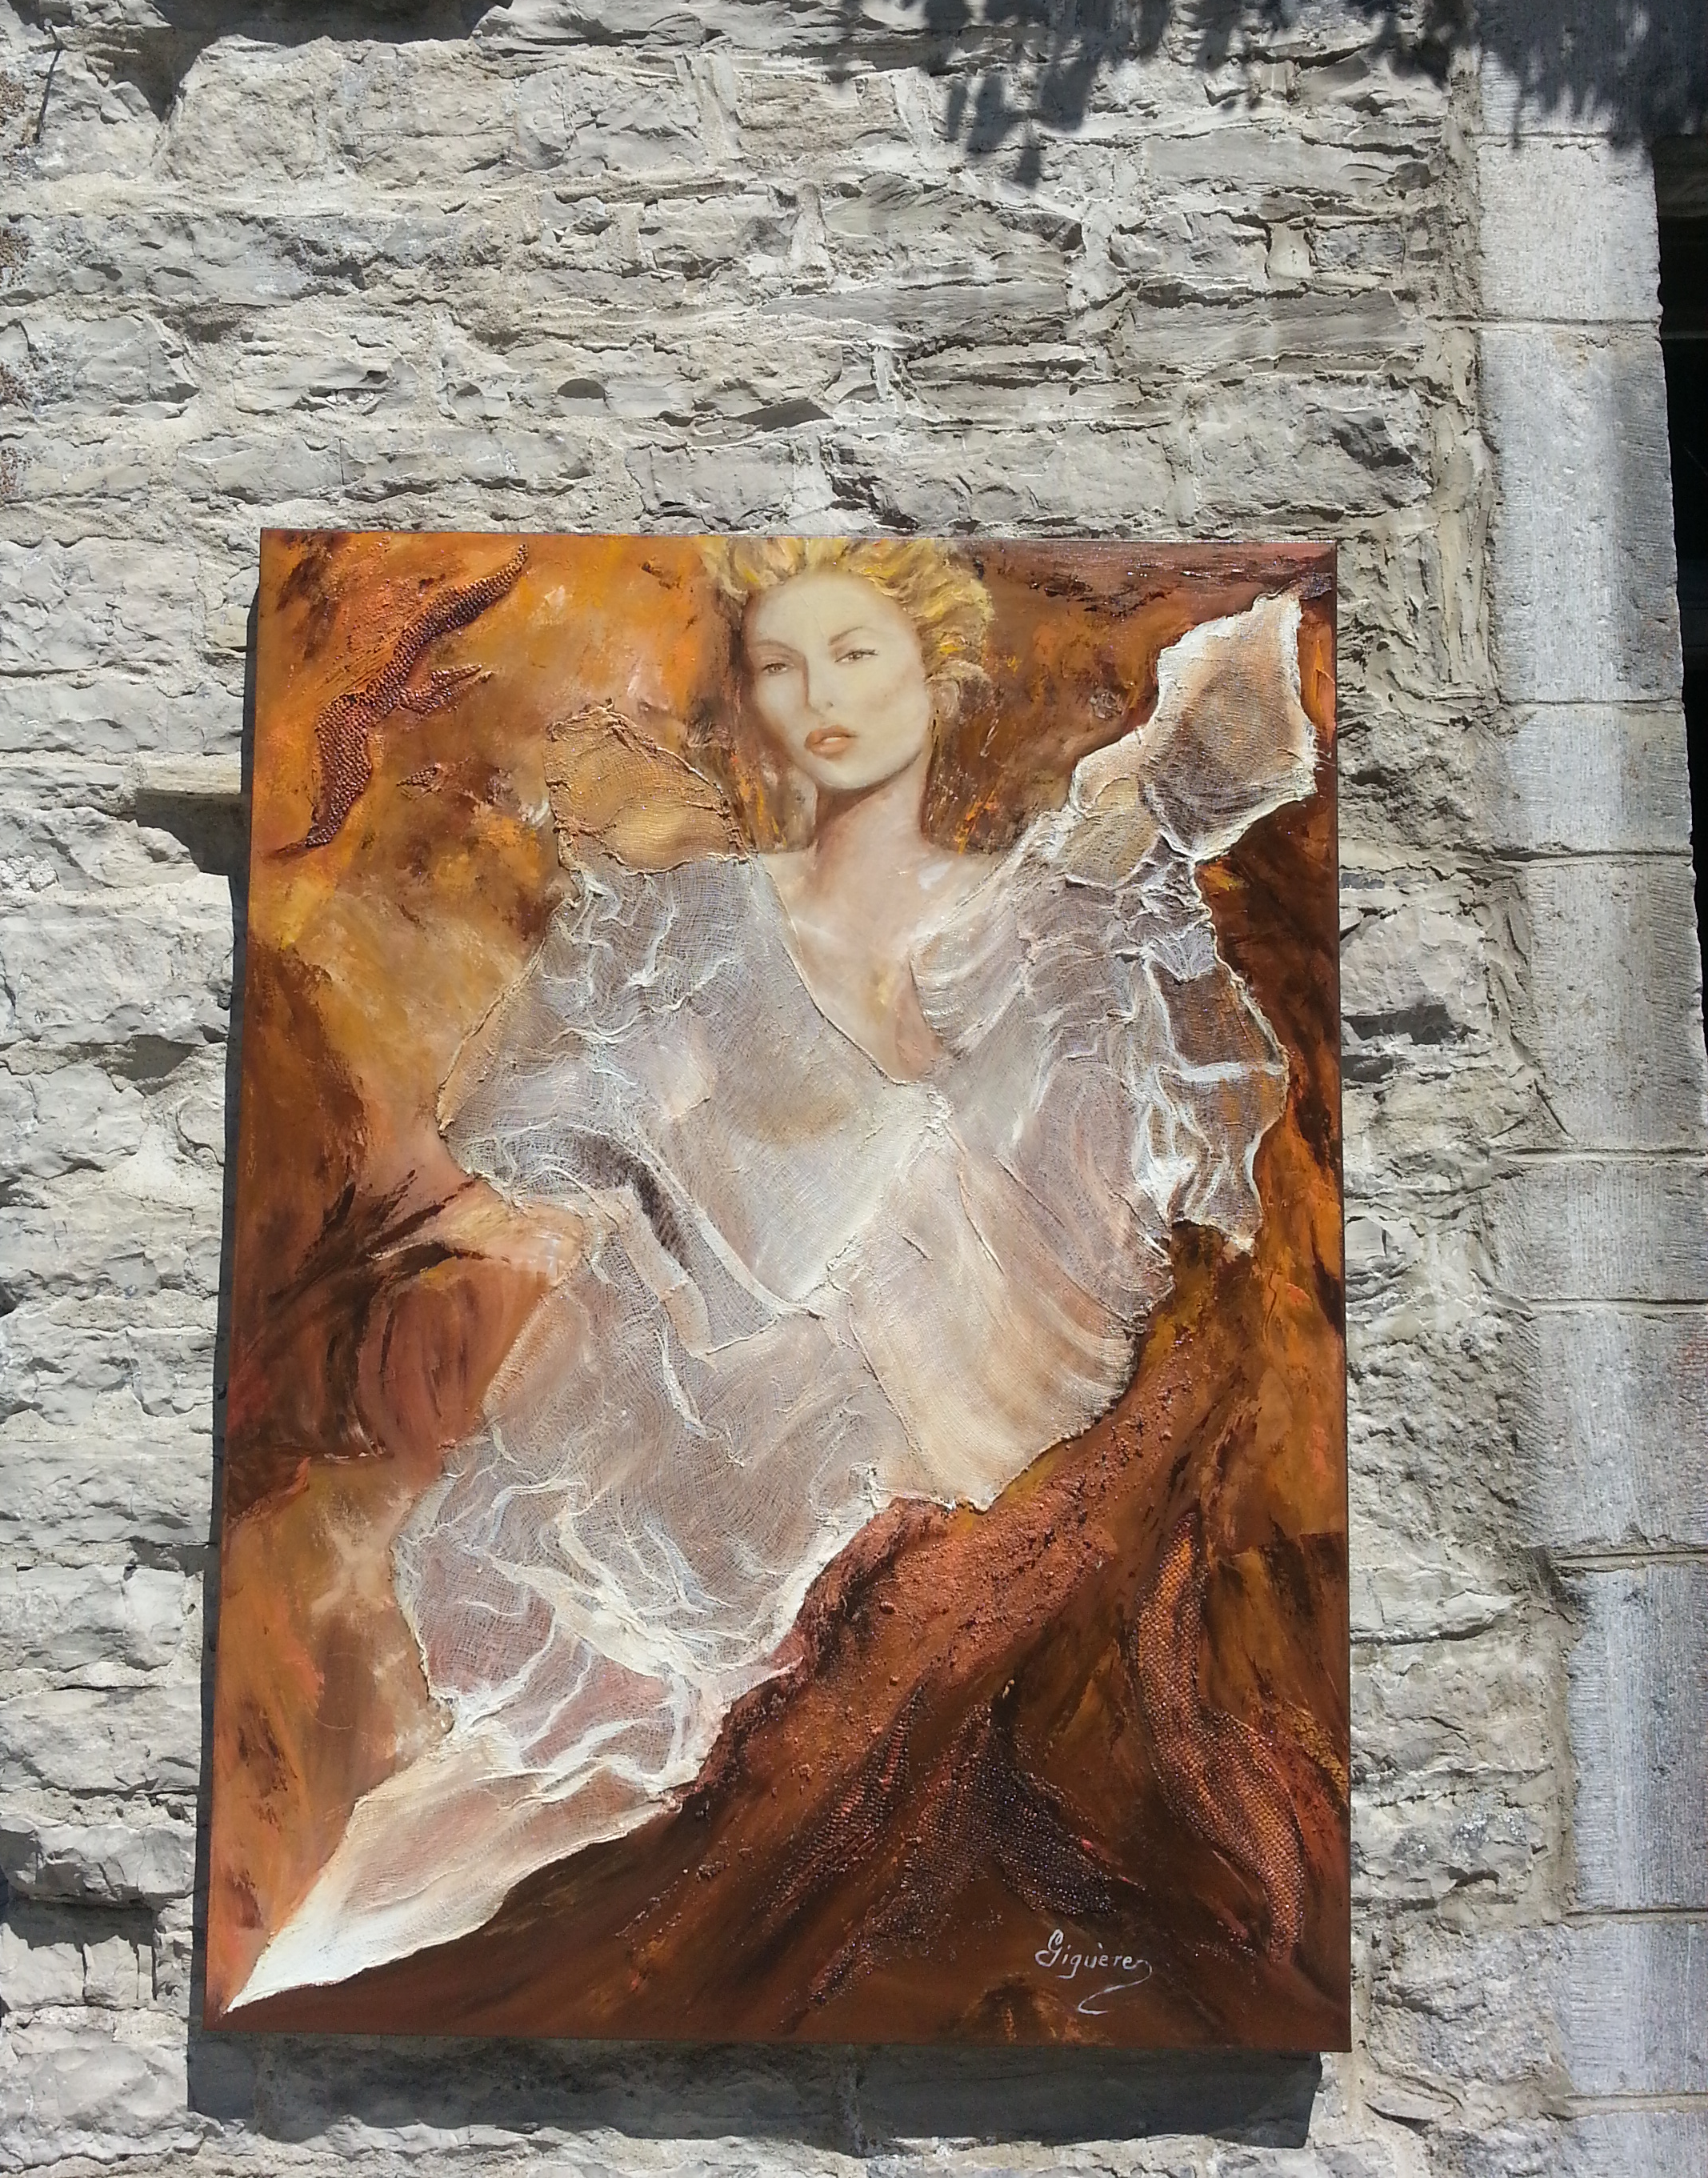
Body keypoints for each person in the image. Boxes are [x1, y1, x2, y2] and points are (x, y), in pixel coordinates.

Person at [233, 539, 1318, 2008]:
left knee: (621, 1855)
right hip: (647, 1470)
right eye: (781, 668)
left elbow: (1086, 1290)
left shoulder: (1056, 930)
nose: (821, 701)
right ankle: (309, 1983)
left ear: (939, 674)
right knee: (488, 1831)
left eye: (856, 657)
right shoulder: (692, 923)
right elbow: (559, 1154)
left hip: (879, 1502)